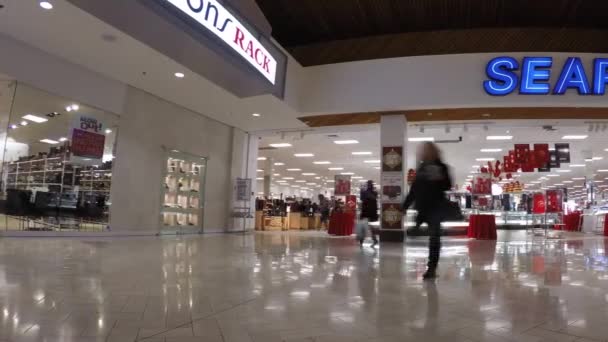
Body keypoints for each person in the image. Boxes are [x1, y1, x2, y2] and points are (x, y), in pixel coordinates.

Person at [403, 142, 452, 280]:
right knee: (422, 231)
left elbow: (448, 185)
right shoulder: (421, 168)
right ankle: (417, 226)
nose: (426, 153)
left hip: (436, 207)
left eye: (429, 150)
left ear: (435, 152)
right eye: (425, 150)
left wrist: (440, 178)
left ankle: (431, 268)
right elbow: (414, 189)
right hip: (423, 207)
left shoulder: (442, 167)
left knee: (434, 238)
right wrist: (405, 206)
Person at [359, 180, 379, 247]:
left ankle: (362, 239)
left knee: (363, 226)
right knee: (370, 227)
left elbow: (362, 199)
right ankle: (374, 239)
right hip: (372, 212)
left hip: (365, 211)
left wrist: (361, 191)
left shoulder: (365, 193)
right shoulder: (375, 193)